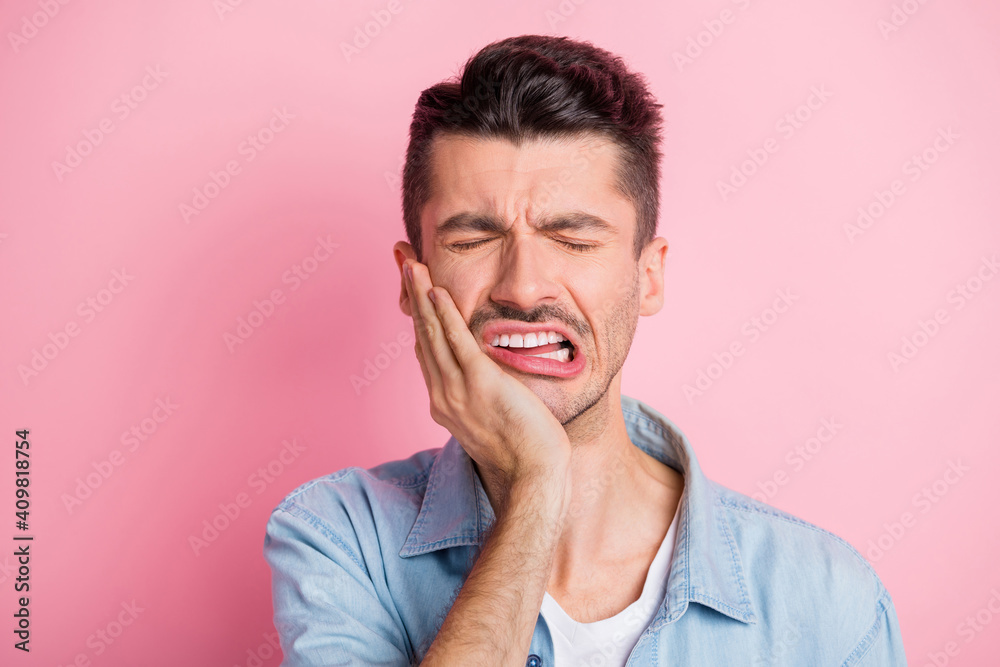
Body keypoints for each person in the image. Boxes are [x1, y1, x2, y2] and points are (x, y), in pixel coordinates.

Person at [263, 34, 907, 666]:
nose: (522, 288)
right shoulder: (336, 537)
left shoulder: (830, 603)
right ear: (413, 279)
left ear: (647, 277)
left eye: (572, 238)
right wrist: (537, 483)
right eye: (473, 239)